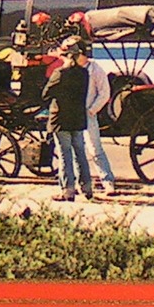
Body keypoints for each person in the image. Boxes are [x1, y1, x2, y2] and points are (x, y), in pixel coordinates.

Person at [41, 39, 94, 201]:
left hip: (61, 118)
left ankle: (67, 190)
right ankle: (87, 187)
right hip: (78, 118)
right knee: (80, 152)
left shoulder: (60, 73)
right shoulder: (84, 73)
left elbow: (46, 94)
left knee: (65, 154)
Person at [76, 41, 118, 197]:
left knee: (95, 149)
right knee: (76, 150)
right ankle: (80, 184)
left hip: (87, 114)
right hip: (74, 113)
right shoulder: (71, 69)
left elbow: (104, 92)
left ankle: (107, 181)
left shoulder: (95, 69)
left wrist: (92, 110)